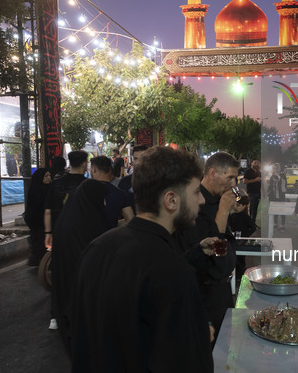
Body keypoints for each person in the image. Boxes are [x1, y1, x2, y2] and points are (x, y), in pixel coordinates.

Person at [71, 147, 213, 372]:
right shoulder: (172, 271)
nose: (202, 200)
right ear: (171, 200)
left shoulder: (96, 248)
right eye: (196, 192)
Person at [177, 152, 239, 336]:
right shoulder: (195, 205)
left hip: (222, 290)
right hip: (205, 292)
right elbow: (211, 249)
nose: (233, 183)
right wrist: (223, 211)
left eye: (235, 178)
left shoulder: (217, 200)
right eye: (230, 177)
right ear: (212, 173)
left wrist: (235, 211)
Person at [51, 179, 108, 351]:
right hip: (82, 286)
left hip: (65, 280)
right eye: (102, 198)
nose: (104, 202)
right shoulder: (89, 221)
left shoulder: (70, 216)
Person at [44, 150, 89, 248]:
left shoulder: (55, 184)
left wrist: (48, 233)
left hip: (59, 230)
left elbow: (48, 211)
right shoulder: (89, 185)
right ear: (85, 164)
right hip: (83, 232)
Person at [90, 156, 134, 228]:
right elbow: (131, 220)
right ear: (110, 170)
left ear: (93, 169)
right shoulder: (120, 194)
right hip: (110, 237)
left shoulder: (85, 191)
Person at [24, 168, 52, 266]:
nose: (49, 178)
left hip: (41, 221)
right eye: (46, 176)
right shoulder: (36, 190)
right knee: (40, 240)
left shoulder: (49, 189)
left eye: (49, 175)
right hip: (36, 220)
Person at [118, 144, 148, 213]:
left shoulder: (156, 181)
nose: (138, 162)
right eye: (135, 159)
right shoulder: (124, 182)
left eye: (142, 159)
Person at [267, 163, 287, 232]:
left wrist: (278, 176)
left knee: (282, 210)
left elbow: (284, 185)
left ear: (278, 168)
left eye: (275, 168)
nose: (274, 170)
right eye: (273, 168)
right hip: (273, 196)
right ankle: (275, 223)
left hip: (281, 196)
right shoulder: (272, 176)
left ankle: (282, 225)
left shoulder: (282, 175)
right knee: (274, 210)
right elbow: (271, 186)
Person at [244, 158, 261, 225]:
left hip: (258, 193)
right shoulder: (248, 171)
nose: (256, 164)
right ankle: (249, 224)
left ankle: (253, 223)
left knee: (255, 209)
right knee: (251, 209)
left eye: (257, 163)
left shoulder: (259, 172)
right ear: (251, 163)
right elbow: (244, 181)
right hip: (251, 193)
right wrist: (255, 180)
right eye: (255, 162)